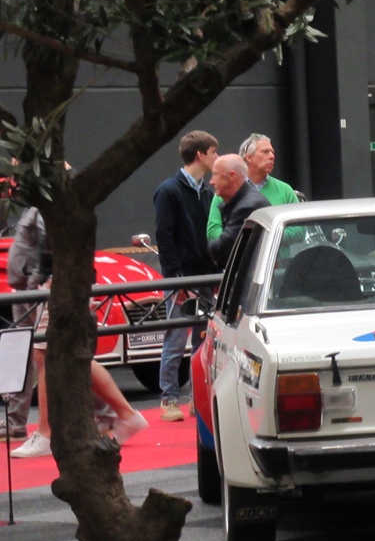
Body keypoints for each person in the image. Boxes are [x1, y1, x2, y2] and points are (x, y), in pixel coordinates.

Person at [11, 277, 149, 458]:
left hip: (59, 280)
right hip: (55, 279)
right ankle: (125, 415)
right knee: (66, 353)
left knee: (47, 353)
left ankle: (46, 433)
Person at [153, 130, 219, 422]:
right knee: (176, 338)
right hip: (181, 277)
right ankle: (168, 399)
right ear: (200, 155)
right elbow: (164, 235)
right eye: (214, 152)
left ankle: (196, 398)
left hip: (204, 275)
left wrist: (215, 274)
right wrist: (175, 278)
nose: (216, 158)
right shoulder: (169, 190)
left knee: (203, 339)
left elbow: (210, 235)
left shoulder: (208, 192)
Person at [0, 206, 48, 441]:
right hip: (25, 290)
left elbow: (46, 248)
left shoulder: (43, 207)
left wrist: (34, 286)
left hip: (32, 291)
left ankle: (105, 412)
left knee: (43, 354)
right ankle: (15, 423)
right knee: (25, 355)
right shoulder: (34, 206)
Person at [206, 133, 299, 241]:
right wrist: (243, 243)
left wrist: (266, 238)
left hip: (276, 252)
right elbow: (213, 231)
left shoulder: (285, 190)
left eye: (272, 152)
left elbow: (299, 229)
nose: (272, 156)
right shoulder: (227, 190)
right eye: (265, 152)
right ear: (249, 157)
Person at [207, 154, 271, 269]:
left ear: (232, 175)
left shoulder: (248, 207)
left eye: (215, 175)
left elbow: (222, 249)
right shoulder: (242, 202)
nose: (211, 181)